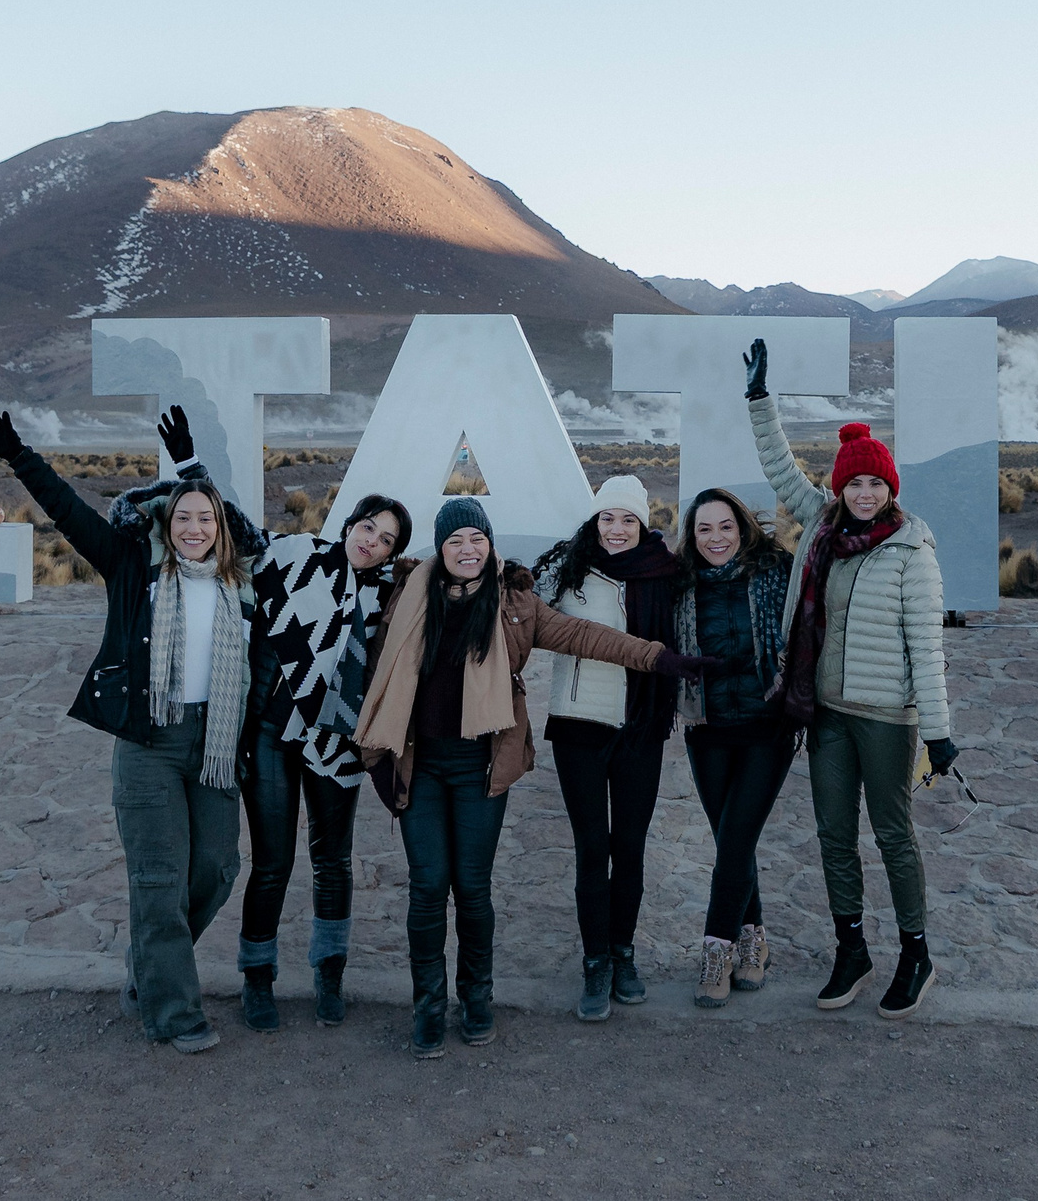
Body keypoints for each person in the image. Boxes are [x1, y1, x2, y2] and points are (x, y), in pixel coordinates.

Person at [354, 496, 723, 1060]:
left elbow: (584, 636)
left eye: (477, 538)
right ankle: (428, 1006)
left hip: (480, 765)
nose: (467, 549)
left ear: (490, 543)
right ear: (440, 546)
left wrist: (659, 658)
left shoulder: (514, 604)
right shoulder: (406, 596)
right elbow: (372, 668)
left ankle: (477, 999)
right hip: (420, 765)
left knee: (472, 888)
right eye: (455, 540)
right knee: (429, 888)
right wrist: (377, 761)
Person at [0, 401, 259, 1055]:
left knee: (215, 867)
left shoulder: (240, 578)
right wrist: (19, 455)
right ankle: (174, 1011)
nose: (193, 527)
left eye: (203, 518)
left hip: (213, 742)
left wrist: (190, 466)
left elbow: (238, 518)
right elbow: (69, 512)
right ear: (164, 522)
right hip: (149, 741)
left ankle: (150, 963)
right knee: (158, 878)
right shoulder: (133, 572)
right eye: (181, 516)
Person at [742, 339, 957, 1021]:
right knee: (834, 834)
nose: (863, 493)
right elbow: (780, 466)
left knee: (892, 834)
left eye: (875, 483)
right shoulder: (822, 528)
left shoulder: (910, 549)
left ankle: (915, 953)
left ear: (891, 488)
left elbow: (927, 645)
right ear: (840, 488)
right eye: (853, 482)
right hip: (825, 711)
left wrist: (941, 732)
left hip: (889, 717)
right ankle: (852, 948)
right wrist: (759, 401)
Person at [234, 491, 414, 1032]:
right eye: (367, 527)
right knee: (272, 863)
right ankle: (257, 976)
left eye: (386, 540)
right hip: (271, 733)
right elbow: (236, 537)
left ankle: (329, 973)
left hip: (337, 741)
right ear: (350, 523)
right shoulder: (293, 556)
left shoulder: (389, 597)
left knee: (333, 861)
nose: (371, 542)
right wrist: (192, 465)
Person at [530, 475, 685, 1020]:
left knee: (631, 848)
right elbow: (516, 609)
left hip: (640, 728)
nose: (616, 530)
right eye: (606, 519)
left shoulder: (666, 573)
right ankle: (595, 962)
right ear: (593, 521)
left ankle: (624, 952)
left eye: (627, 519)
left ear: (642, 523)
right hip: (578, 726)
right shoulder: (565, 568)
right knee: (593, 848)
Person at [668, 485, 799, 1009]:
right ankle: (754, 944)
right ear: (691, 535)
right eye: (704, 528)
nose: (716, 538)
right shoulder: (679, 583)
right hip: (708, 728)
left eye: (726, 526)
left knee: (737, 838)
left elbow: (812, 626)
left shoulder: (776, 571)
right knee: (732, 842)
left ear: (742, 527)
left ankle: (716, 952)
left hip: (768, 727)